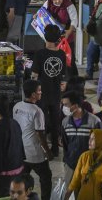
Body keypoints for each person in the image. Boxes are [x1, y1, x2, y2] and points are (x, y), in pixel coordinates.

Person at [13, 80, 52, 200]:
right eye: (39, 90)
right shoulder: (37, 111)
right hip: (35, 153)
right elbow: (40, 134)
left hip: (21, 151)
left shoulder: (17, 106)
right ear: (33, 94)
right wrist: (48, 151)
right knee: (46, 178)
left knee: (23, 179)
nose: (41, 93)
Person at [31, 24, 67, 156]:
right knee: (56, 121)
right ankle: (56, 150)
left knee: (42, 122)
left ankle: (44, 149)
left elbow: (34, 75)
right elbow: (63, 78)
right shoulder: (62, 54)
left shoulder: (40, 54)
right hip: (56, 94)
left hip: (42, 94)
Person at [66, 129, 102, 200]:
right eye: (89, 138)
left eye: (93, 139)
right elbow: (75, 180)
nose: (89, 141)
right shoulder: (84, 157)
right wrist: (67, 195)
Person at [61, 91, 102, 191]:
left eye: (66, 104)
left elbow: (101, 144)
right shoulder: (65, 122)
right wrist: (66, 161)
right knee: (69, 191)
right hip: (71, 165)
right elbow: (65, 144)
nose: (64, 107)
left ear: (75, 105)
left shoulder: (94, 121)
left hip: (89, 166)